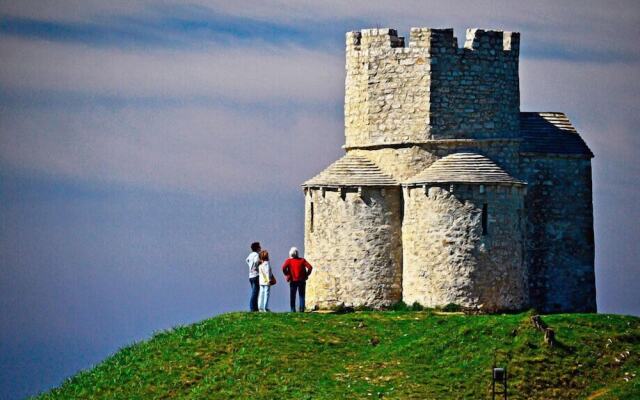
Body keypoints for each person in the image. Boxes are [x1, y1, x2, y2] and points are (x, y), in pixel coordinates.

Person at [281, 247, 313, 312]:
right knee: (302, 295)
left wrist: (287, 274)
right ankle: (302, 310)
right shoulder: (302, 260)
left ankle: (293, 310)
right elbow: (310, 267)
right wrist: (306, 274)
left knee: (292, 296)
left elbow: (283, 268)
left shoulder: (289, 261)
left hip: (293, 280)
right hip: (302, 280)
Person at [245, 242, 261, 312]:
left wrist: (250, 266)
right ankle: (253, 308)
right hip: (256, 275)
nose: (260, 248)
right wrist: (260, 263)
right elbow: (256, 262)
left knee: (254, 292)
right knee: (255, 292)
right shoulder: (256, 255)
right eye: (259, 247)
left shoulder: (250, 255)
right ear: (257, 248)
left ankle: (255, 308)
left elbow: (247, 260)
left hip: (250, 276)